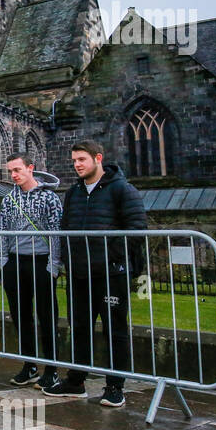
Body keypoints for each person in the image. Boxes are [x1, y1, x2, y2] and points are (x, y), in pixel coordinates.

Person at [45, 140, 148, 408]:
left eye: (82, 159)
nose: (77, 165)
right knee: (79, 328)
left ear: (97, 158)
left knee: (115, 331)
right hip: (79, 275)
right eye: (74, 161)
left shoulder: (122, 190)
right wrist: (69, 258)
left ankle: (115, 386)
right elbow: (66, 229)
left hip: (110, 274)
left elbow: (136, 230)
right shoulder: (74, 193)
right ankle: (76, 381)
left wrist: (108, 256)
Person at [0, 154, 63, 389]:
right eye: (10, 171)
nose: (13, 175)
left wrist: (53, 264)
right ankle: (30, 365)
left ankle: (51, 369)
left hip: (41, 261)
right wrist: (3, 260)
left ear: (30, 168)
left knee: (47, 317)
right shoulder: (8, 200)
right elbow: (1, 230)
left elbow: (56, 231)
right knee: (20, 315)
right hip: (15, 263)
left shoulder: (49, 198)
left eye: (17, 170)